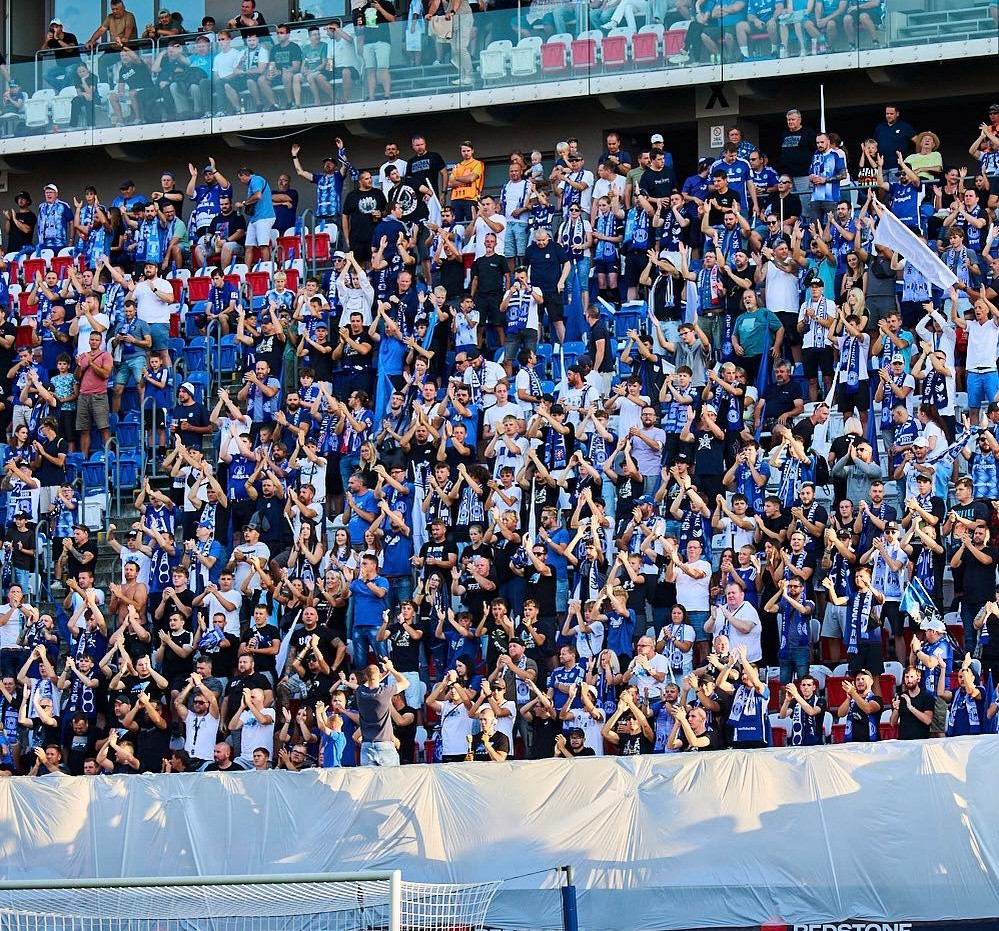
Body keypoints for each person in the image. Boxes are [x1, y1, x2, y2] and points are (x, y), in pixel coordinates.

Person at [355, 657, 409, 766]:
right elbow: (405, 683)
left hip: (366, 744)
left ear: (366, 677)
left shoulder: (359, 692)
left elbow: (371, 681)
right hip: (384, 744)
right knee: (390, 776)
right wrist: (391, 669)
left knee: (369, 777)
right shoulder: (385, 692)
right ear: (379, 676)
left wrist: (384, 674)